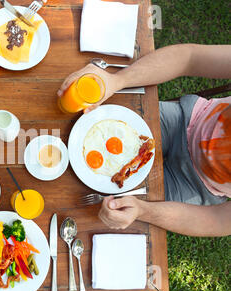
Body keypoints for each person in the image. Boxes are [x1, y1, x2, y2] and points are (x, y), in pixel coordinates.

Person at [58, 44, 231, 237]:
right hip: (186, 119)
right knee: (74, 125)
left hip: (194, 186)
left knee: (97, 214)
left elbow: (220, 220)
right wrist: (116, 80)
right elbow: (189, 58)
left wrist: (142, 210)